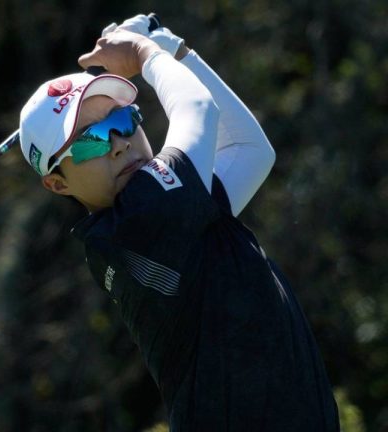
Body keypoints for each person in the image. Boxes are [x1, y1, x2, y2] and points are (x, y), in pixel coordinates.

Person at [18, 14, 339, 431]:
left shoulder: (168, 213)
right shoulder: (141, 220)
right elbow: (198, 109)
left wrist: (175, 49)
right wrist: (144, 52)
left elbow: (250, 150)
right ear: (57, 183)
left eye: (122, 121)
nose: (119, 144)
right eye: (90, 141)